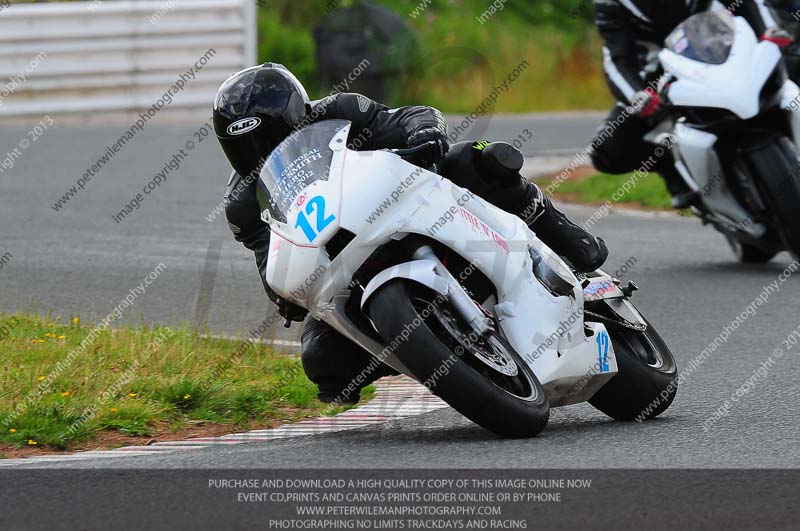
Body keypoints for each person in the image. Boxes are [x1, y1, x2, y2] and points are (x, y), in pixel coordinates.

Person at [213, 63, 609, 404]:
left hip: (409, 202)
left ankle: (566, 236)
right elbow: (270, 262)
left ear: (297, 115)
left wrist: (424, 132)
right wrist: (288, 295)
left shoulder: (340, 111)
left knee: (480, 159)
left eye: (270, 135)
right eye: (246, 144)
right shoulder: (244, 204)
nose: (263, 149)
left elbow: (406, 117)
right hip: (347, 265)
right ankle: (429, 348)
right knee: (321, 359)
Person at [590, 0, 792, 209]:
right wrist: (638, 95)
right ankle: (676, 171)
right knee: (608, 150)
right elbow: (617, 60)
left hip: (727, 52)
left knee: (791, 68)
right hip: (661, 77)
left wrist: (768, 31)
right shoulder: (610, 3)